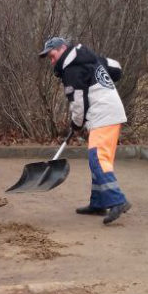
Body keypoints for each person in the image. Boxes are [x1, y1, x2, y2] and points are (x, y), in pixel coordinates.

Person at [38, 37, 131, 225]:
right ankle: (98, 203)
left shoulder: (71, 70)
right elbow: (116, 68)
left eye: (53, 55)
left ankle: (117, 200)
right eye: (49, 58)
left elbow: (79, 103)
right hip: (107, 114)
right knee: (98, 159)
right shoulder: (89, 58)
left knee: (98, 158)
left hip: (104, 115)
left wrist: (76, 124)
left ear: (62, 48)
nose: (52, 61)